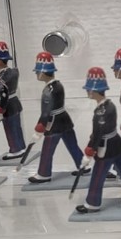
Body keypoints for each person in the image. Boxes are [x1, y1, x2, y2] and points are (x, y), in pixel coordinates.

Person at [76, 67, 121, 213]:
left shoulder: (101, 111)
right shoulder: (110, 105)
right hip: (117, 143)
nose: (88, 92)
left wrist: (89, 151)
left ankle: (92, 202)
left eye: (89, 89)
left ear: (94, 91)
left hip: (106, 148)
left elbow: (98, 134)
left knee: (98, 175)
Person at [29, 52, 87, 184]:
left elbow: (46, 113)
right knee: (72, 145)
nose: (36, 73)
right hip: (65, 120)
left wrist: (39, 128)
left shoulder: (48, 90)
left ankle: (44, 173)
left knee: (47, 150)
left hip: (54, 123)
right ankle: (82, 165)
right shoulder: (58, 85)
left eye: (38, 71)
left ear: (43, 72)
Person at [0, 41, 26, 160]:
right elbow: (1, 77)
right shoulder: (12, 72)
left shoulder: (4, 77)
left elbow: (0, 85)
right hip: (14, 103)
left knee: (10, 128)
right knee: (17, 127)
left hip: (6, 104)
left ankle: (15, 149)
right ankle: (21, 147)